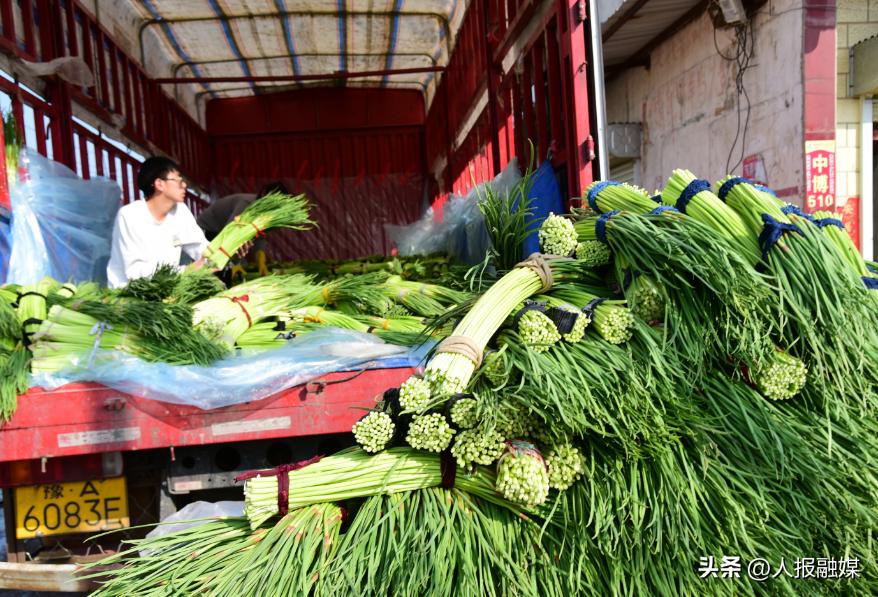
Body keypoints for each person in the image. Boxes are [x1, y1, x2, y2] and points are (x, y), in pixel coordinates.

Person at [106, 156, 208, 288]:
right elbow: (135, 272)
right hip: (129, 296)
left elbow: (201, 248)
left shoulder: (180, 211)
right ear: (159, 184)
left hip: (165, 290)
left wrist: (230, 243)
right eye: (177, 180)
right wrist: (186, 271)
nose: (184, 185)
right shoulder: (130, 215)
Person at [196, 182, 287, 279]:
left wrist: (261, 262)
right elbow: (231, 233)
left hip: (223, 235)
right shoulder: (246, 204)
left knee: (230, 268)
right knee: (215, 269)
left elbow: (259, 237)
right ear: (265, 195)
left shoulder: (264, 213)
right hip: (208, 230)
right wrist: (236, 263)